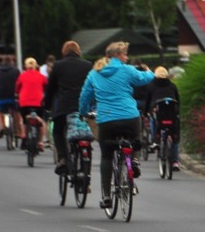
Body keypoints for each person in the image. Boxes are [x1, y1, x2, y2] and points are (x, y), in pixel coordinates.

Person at [79, 41, 154, 209]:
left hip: (106, 120)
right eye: (125, 54)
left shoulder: (94, 73)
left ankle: (106, 196)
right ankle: (133, 161)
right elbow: (144, 79)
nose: (126, 57)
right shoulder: (127, 70)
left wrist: (83, 112)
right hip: (129, 117)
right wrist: (150, 72)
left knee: (106, 156)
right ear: (117, 56)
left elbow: (85, 96)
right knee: (134, 139)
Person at [44, 41, 93, 174]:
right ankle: (86, 162)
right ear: (79, 52)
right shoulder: (88, 65)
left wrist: (47, 105)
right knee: (86, 132)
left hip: (64, 108)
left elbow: (51, 88)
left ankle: (63, 159)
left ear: (64, 53)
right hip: (83, 108)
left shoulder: (58, 66)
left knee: (58, 132)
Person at [145, 66, 181, 171]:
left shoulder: (151, 86)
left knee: (153, 122)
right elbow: (178, 101)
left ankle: (155, 140)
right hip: (172, 115)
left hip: (158, 114)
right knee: (174, 137)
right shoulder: (172, 85)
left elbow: (147, 102)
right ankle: (175, 162)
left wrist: (146, 112)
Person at [16, 57, 48, 150]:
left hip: (24, 103)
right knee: (41, 121)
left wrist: (17, 94)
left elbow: (17, 88)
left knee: (24, 120)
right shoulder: (41, 76)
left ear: (25, 66)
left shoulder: (22, 75)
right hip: (38, 103)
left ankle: (24, 136)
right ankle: (41, 142)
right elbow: (46, 87)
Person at [0, 56, 21, 139]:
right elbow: (20, 83)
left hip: (1, 96)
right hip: (13, 96)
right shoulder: (16, 71)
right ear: (11, 62)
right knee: (16, 112)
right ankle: (17, 131)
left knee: (0, 111)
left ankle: (2, 127)